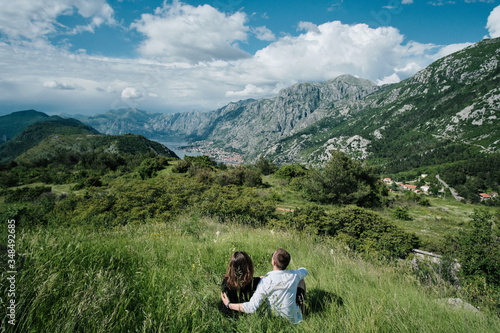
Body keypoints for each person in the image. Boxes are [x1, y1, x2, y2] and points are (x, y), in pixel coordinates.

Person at [221, 248, 308, 324]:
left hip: (228, 314)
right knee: (301, 279)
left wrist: (228, 305)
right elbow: (305, 270)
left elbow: (251, 306)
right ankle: (299, 303)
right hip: (294, 319)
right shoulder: (294, 275)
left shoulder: (263, 282)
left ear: (273, 262)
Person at [218, 251, 261, 318]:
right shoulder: (254, 282)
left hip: (228, 313)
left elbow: (223, 294)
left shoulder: (226, 282)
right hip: (245, 313)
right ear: (249, 267)